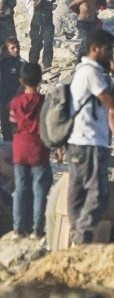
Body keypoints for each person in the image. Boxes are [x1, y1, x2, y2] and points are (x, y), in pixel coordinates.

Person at [67, 27, 114, 244]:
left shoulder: (82, 71)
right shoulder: (92, 72)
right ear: (95, 49)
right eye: (108, 49)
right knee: (98, 195)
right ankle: (82, 236)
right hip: (90, 142)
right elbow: (113, 103)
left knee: (78, 193)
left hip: (77, 141)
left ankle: (76, 235)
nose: (111, 54)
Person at [9, 62, 50, 238]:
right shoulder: (44, 102)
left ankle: (18, 228)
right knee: (39, 189)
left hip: (20, 148)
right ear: (39, 80)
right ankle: (37, 229)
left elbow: (13, 123)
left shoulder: (15, 102)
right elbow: (48, 126)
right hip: (39, 149)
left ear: (21, 81)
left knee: (20, 189)